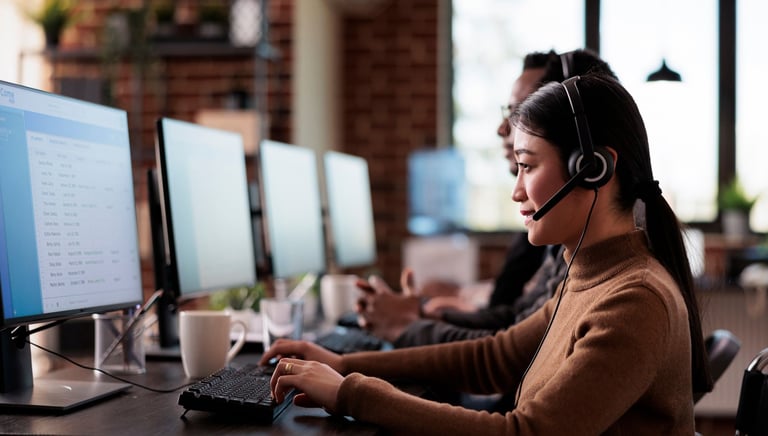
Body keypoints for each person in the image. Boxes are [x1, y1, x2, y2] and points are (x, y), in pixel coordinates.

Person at [260, 72, 713, 434]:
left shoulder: (634, 300)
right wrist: (341, 364)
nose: (516, 191)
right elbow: (492, 359)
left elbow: (527, 432)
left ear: (592, 169)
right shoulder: (591, 276)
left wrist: (349, 393)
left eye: (528, 166)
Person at [357, 49, 615, 348]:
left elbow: (504, 355)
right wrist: (422, 314)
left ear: (585, 162)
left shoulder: (609, 271)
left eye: (521, 112)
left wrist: (409, 326)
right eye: (509, 112)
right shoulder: (568, 241)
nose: (504, 128)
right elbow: (515, 324)